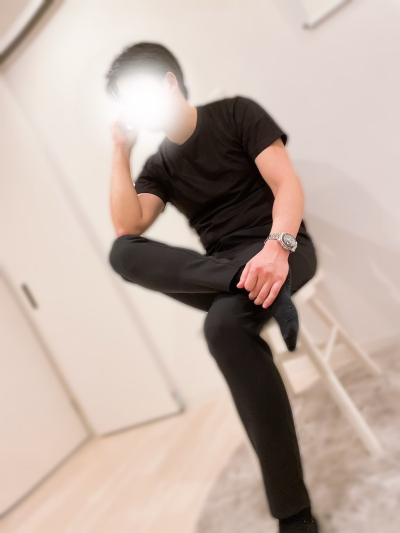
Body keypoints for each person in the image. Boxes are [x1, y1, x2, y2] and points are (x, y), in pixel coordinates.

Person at [105, 41, 319, 532]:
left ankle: (294, 516)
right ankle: (244, 284)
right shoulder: (158, 166)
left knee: (223, 327)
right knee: (122, 252)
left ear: (169, 82)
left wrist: (277, 249)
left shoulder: (235, 112)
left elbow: (286, 184)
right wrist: (120, 151)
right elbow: (128, 225)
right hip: (225, 267)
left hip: (282, 247)